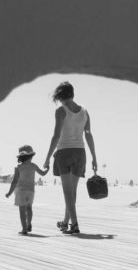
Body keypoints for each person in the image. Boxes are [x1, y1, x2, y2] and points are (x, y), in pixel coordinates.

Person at [42, 81, 97, 235]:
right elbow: (88, 134)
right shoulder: (84, 111)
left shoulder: (61, 110)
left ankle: (75, 224)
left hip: (64, 152)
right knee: (72, 191)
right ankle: (65, 222)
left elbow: (56, 136)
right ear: (72, 93)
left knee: (67, 192)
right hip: (80, 153)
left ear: (60, 95)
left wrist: (47, 158)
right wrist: (94, 156)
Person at [5, 145, 49, 235]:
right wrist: (47, 168)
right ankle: (29, 224)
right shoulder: (33, 166)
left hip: (20, 191)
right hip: (31, 191)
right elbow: (43, 174)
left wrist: (9, 193)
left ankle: (24, 229)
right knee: (29, 208)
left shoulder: (18, 168)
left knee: (22, 210)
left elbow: (14, 181)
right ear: (31, 156)